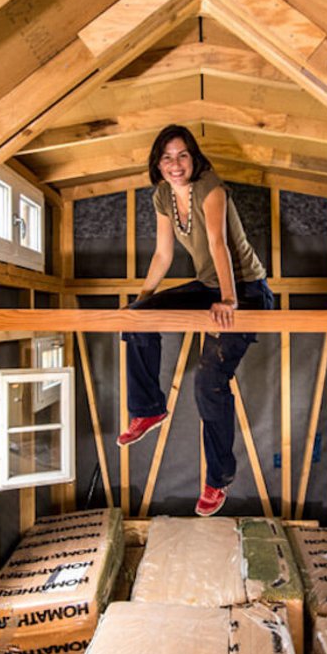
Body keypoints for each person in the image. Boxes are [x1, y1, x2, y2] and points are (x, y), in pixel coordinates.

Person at [116, 125, 273, 516]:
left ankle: (218, 479)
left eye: (182, 155)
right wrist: (140, 304)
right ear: (158, 162)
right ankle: (149, 408)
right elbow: (163, 255)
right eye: (167, 157)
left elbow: (219, 244)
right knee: (137, 319)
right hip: (208, 285)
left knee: (208, 380)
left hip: (247, 290)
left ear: (194, 157)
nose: (175, 164)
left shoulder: (211, 187)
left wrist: (230, 299)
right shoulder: (162, 197)